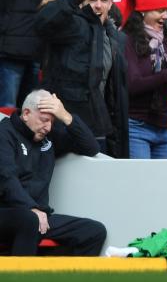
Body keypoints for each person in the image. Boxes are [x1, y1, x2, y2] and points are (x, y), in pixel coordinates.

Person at [0, 90, 105, 256]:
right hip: (8, 213)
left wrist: (66, 116)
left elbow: (91, 147)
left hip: (40, 216)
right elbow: (6, 179)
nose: (48, 127)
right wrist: (31, 208)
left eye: (52, 122)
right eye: (44, 120)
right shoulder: (4, 133)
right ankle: (19, 281)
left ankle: (66, 281)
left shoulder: (48, 136)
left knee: (94, 231)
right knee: (29, 221)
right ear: (26, 113)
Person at [34, 0, 128, 158]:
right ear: (81, 2)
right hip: (67, 122)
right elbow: (41, 23)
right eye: (92, 0)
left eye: (103, 0)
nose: (98, 6)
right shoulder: (74, 24)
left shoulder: (113, 36)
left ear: (110, 3)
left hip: (100, 121)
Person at [122, 0, 167, 159]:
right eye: (159, 10)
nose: (165, 16)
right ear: (143, 11)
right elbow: (133, 85)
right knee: (142, 186)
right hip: (138, 127)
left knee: (166, 187)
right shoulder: (128, 41)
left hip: (166, 127)